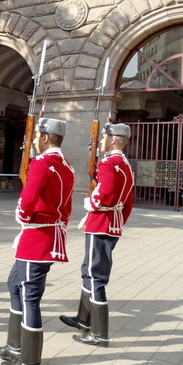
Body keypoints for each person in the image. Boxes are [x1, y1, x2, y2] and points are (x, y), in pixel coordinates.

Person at [0, 118, 75, 365]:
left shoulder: (43, 164)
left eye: (37, 136)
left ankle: (29, 362)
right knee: (14, 285)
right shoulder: (66, 166)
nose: (35, 141)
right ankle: (14, 346)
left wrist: (23, 216)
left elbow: (28, 200)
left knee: (30, 298)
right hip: (46, 236)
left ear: (46, 138)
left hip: (36, 238)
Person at [59, 122, 134, 347]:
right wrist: (117, 221)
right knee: (88, 271)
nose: (100, 141)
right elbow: (128, 201)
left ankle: (100, 334)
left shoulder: (110, 162)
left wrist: (91, 204)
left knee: (95, 277)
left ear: (113, 139)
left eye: (103, 137)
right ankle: (84, 318)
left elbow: (106, 193)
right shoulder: (125, 164)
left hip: (101, 225)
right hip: (109, 223)